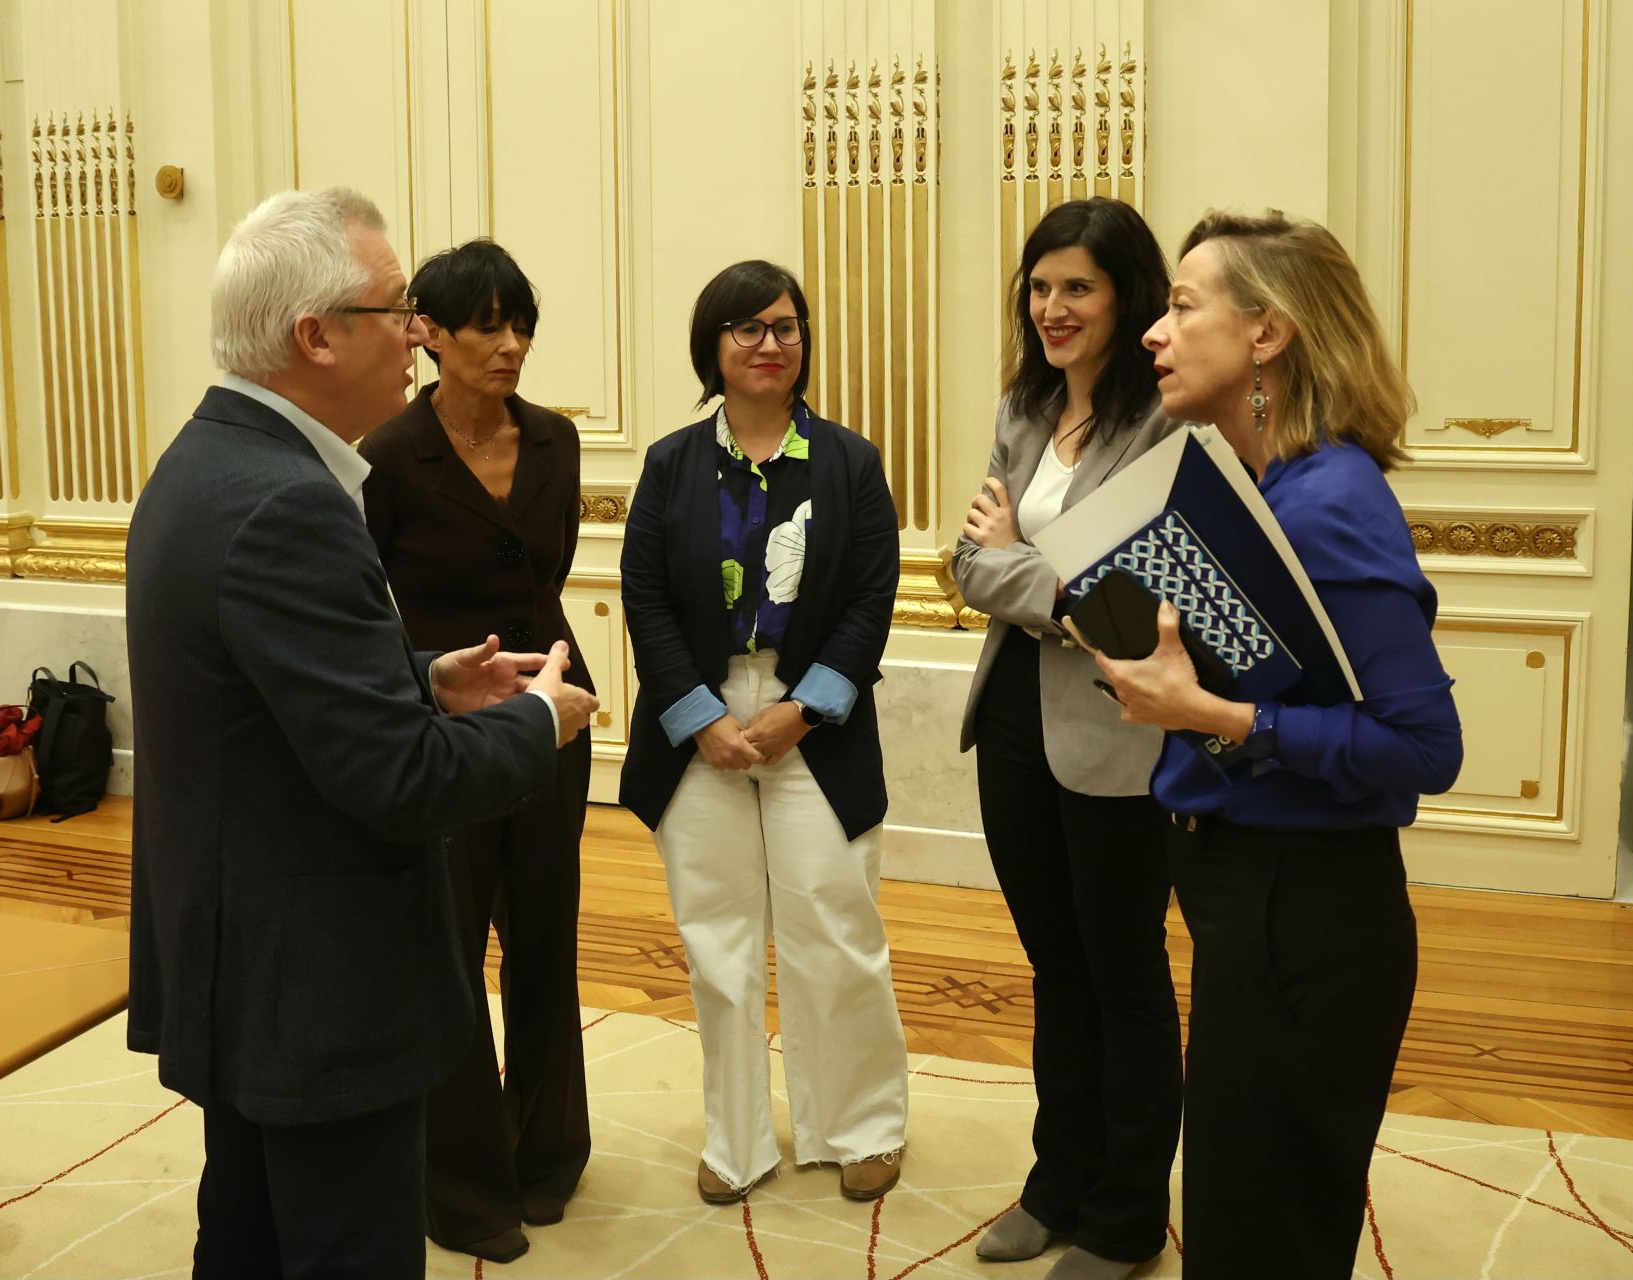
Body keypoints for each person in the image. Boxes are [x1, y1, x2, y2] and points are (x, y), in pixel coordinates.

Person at [125, 187, 597, 1280]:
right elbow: (395, 777)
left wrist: (427, 676)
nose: (417, 335)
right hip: (319, 989)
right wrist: (539, 721)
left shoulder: (205, 460)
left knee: (245, 1237)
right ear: (315, 334)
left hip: (244, 963)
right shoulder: (291, 502)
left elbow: (274, 689)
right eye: (399, 309)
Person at [1089, 209, 1463, 1279]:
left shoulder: (1330, 501)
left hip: (1306, 916)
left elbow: (1422, 744)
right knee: (1244, 1214)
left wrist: (1208, 715)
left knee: (1262, 1233)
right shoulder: (1263, 490)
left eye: (1181, 305)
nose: (1154, 333)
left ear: (1267, 336)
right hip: (1251, 901)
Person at [618, 260, 908, 1206]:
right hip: (696, 722)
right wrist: (702, 720)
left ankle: (860, 1127)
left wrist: (800, 711)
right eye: (746, 328)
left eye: (785, 326)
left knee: (835, 924)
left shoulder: (850, 462)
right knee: (719, 942)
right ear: (714, 344)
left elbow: (871, 599)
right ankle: (735, 1140)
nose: (768, 343)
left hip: (812, 719)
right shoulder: (668, 463)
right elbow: (646, 600)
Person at [950, 197, 1183, 1280]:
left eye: (1077, 287)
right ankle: (1058, 1181)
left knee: (1123, 970)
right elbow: (967, 562)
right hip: (1011, 717)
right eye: (1039, 287)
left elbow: (1127, 610)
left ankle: (1128, 1214)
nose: (1053, 308)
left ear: (1126, 294)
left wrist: (1020, 574)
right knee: (1055, 965)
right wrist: (1041, 580)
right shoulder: (1025, 405)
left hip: (1118, 733)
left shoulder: (1164, 426)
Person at [358, 239, 592, 1265]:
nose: (511, 344)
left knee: (545, 939)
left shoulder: (555, 441)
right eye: (487, 324)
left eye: (521, 322)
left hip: (550, 717)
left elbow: (549, 572)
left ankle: (546, 1154)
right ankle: (459, 1184)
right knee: (448, 955)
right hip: (446, 731)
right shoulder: (383, 454)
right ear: (429, 333)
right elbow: (370, 603)